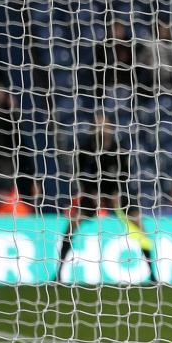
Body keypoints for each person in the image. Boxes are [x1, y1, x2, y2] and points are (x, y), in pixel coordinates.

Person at [55, 114, 157, 284]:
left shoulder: (120, 149)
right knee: (72, 225)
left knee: (139, 228)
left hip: (117, 193)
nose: (101, 130)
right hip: (93, 193)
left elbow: (125, 175)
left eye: (104, 126)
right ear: (92, 129)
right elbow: (80, 175)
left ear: (110, 128)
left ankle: (152, 273)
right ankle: (58, 273)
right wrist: (90, 193)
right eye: (98, 126)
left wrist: (117, 193)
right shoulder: (85, 149)